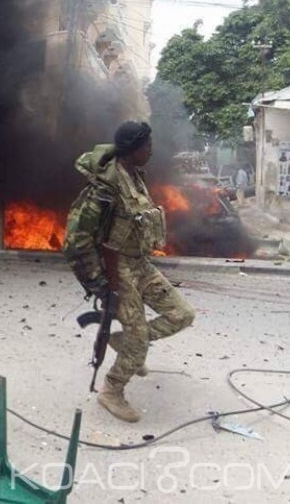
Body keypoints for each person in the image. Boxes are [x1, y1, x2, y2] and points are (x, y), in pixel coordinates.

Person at [63, 121, 196, 423]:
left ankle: (127, 343)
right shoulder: (104, 190)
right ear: (132, 149)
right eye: (146, 145)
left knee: (182, 314)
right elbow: (75, 242)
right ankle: (112, 390)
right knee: (138, 340)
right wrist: (99, 282)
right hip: (118, 270)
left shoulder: (135, 176)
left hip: (141, 265)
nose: (151, 150)